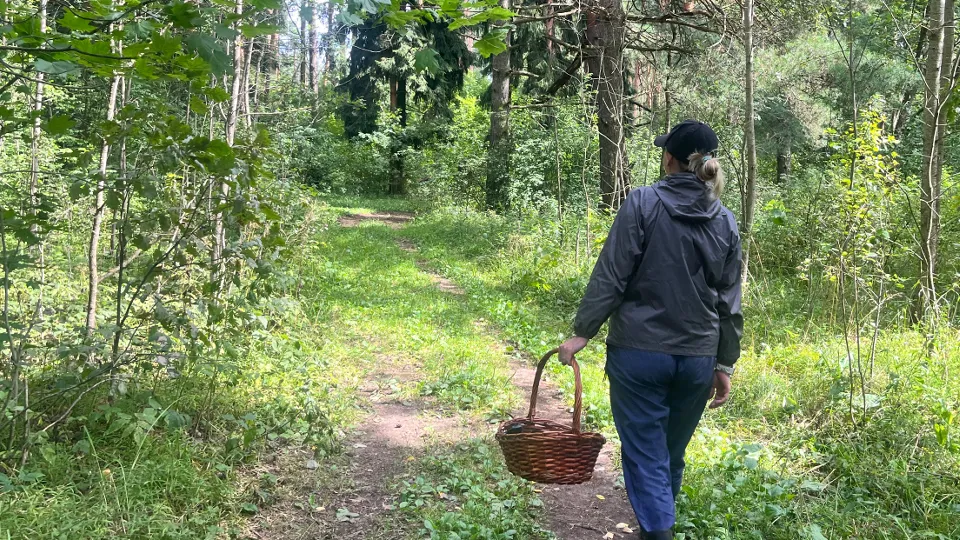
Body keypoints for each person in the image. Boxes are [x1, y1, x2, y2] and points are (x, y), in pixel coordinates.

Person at [558, 120, 743, 540]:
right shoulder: (725, 220)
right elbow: (729, 300)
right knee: (669, 456)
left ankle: (658, 531)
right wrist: (725, 362)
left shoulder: (642, 202)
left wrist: (583, 331)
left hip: (639, 356)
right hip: (697, 358)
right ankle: (655, 528)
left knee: (646, 457)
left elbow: (611, 273)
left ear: (669, 159)